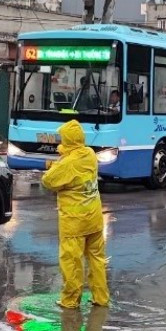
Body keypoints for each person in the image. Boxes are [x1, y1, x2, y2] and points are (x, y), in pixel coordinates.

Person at [41, 120, 110, 309]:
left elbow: (49, 181)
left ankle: (70, 300)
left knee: (71, 261)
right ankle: (101, 297)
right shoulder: (89, 154)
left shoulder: (68, 163)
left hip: (74, 223)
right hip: (94, 218)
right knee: (96, 259)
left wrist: (56, 164)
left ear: (68, 140)